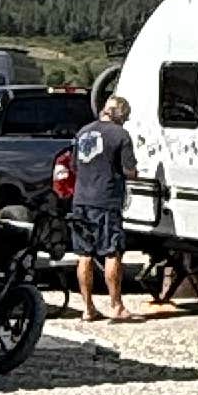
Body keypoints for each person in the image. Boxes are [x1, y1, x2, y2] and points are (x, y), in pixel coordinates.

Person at [68, 90, 136, 322]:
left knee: (84, 255)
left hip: (80, 199)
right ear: (121, 115)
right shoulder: (121, 135)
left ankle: (87, 308)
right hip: (105, 201)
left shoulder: (83, 132)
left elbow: (74, 166)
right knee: (111, 252)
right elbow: (129, 171)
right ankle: (116, 306)